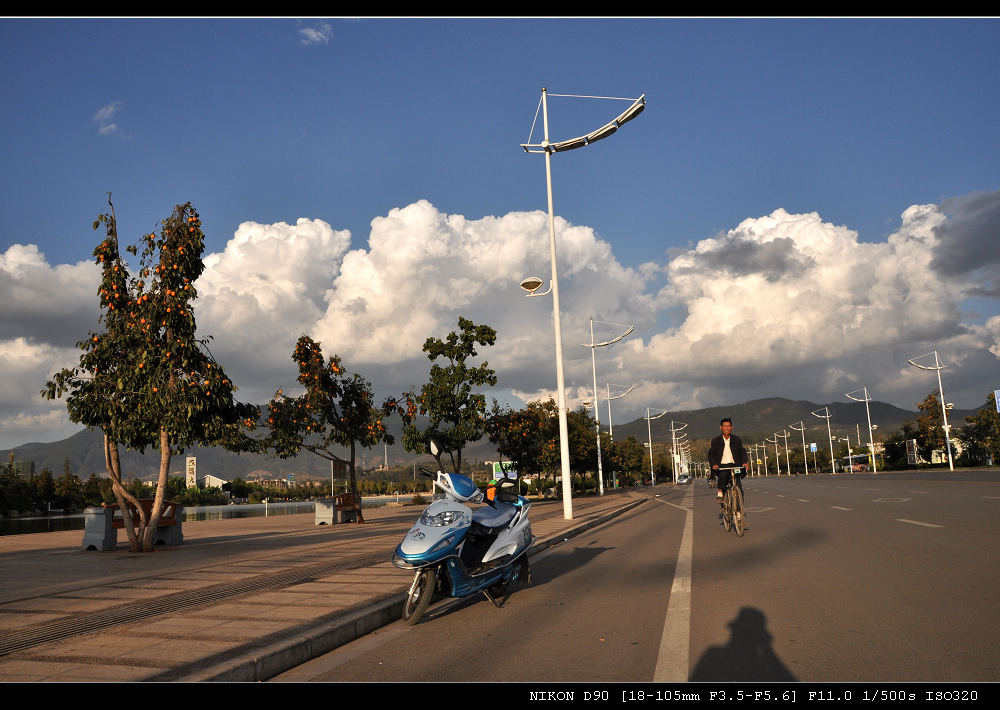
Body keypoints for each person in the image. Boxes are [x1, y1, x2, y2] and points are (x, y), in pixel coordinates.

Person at [707, 417, 749, 505]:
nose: (727, 428)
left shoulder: (736, 440)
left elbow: (742, 451)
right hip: (722, 466)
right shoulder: (716, 441)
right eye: (724, 426)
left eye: (728, 426)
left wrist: (745, 462)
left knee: (739, 488)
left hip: (735, 466)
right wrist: (714, 464)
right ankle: (720, 492)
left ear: (731, 427)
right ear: (721, 427)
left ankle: (738, 511)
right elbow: (711, 454)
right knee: (723, 475)